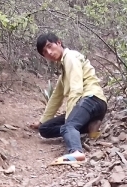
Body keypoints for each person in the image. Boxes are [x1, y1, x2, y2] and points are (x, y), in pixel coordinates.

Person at [30, 32, 107, 163]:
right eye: (45, 52)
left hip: (92, 98)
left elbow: (76, 90)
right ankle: (90, 126)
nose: (49, 52)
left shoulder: (70, 57)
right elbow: (56, 98)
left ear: (59, 43)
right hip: (91, 104)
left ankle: (76, 152)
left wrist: (69, 120)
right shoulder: (64, 70)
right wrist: (42, 122)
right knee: (45, 129)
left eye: (50, 46)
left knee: (68, 125)